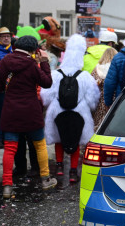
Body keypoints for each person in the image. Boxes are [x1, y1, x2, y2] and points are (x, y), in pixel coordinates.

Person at [0, 34, 58, 198]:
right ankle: (45, 179)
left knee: (10, 148)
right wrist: (44, 62)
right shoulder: (32, 64)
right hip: (31, 111)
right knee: (39, 145)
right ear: (34, 49)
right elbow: (47, 83)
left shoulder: (5, 61)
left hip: (10, 110)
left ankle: (7, 186)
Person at [41, 34, 100, 183]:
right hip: (79, 112)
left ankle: (59, 167)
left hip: (57, 111)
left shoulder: (55, 74)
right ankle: (73, 172)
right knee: (76, 139)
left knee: (59, 139)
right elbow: (93, 98)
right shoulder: (85, 76)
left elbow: (45, 96)